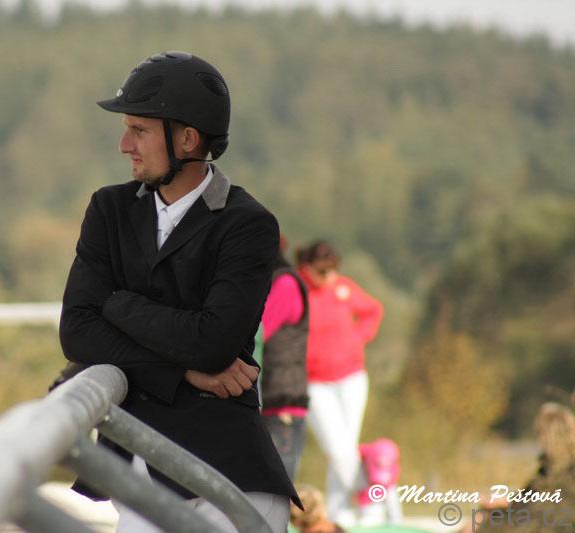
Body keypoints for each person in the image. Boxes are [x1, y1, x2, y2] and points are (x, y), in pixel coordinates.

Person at [58, 50, 299, 532]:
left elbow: (212, 345)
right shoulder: (108, 209)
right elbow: (78, 331)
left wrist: (118, 303)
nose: (124, 144)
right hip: (134, 480)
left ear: (187, 139)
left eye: (139, 130)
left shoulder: (248, 224)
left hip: (228, 485)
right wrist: (179, 370)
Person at [295, 240, 383, 527]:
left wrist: (357, 338)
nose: (329, 276)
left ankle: (337, 511)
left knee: (346, 446)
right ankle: (370, 498)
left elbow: (373, 310)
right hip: (315, 381)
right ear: (307, 267)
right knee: (337, 447)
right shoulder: (297, 290)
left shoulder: (343, 288)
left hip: (351, 378)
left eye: (333, 270)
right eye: (322, 271)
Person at [260, 243, 310, 481]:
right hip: (277, 397)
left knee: (275, 484)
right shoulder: (279, 281)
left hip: (282, 401)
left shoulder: (285, 285)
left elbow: (257, 331)